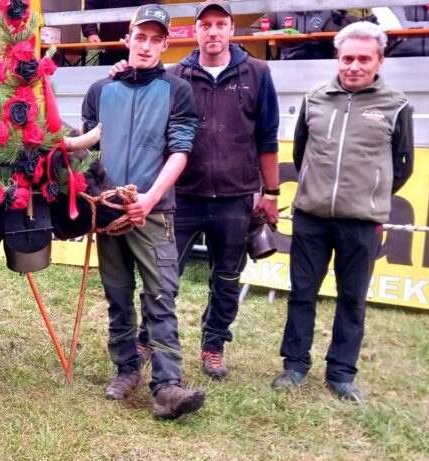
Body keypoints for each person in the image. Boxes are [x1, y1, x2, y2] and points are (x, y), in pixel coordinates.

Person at [271, 22, 414, 403]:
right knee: (302, 292)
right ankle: (295, 366)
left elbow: (403, 166)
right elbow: (301, 154)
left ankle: (341, 373)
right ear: (338, 57)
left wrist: (369, 196)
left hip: (363, 223)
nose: (354, 65)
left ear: (379, 61)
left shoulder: (396, 106)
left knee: (352, 298)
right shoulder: (314, 98)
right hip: (311, 217)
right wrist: (318, 192)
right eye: (347, 57)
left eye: (363, 59)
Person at [81, 4, 204, 420]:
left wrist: (149, 198)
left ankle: (168, 385)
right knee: (117, 295)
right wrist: (96, 202)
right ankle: (125, 370)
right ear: (128, 39)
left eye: (156, 39)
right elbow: (88, 152)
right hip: (109, 213)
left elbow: (181, 150)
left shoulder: (178, 89)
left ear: (165, 44)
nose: (147, 45)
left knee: (160, 296)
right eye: (141, 37)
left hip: (154, 211)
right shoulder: (101, 89)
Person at [164, 0, 280, 380]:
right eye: (205, 25)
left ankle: (213, 346)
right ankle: (151, 338)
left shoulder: (259, 73)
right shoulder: (174, 75)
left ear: (232, 29)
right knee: (164, 274)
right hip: (182, 196)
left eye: (221, 24)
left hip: (235, 199)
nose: (213, 32)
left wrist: (272, 193)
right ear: (195, 31)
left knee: (227, 279)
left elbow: (267, 138)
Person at [81, 0, 160, 65]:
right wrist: (91, 33)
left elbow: (150, 9)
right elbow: (90, 7)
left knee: (139, 78)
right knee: (109, 79)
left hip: (140, 46)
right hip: (109, 47)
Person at [255, 11, 353, 60]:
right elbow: (251, 31)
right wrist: (278, 37)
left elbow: (350, 32)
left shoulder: (328, 11)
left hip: (323, 61)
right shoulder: (280, 10)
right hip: (289, 62)